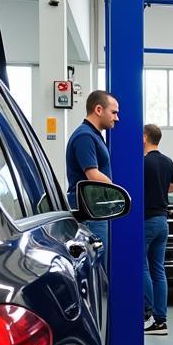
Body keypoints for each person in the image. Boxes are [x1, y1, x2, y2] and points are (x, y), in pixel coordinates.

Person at [66, 90, 119, 252]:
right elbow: (92, 175)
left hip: (95, 210)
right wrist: (116, 193)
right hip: (90, 213)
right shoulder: (85, 137)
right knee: (96, 262)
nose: (117, 118)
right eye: (113, 112)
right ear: (98, 110)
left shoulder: (93, 135)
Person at [143, 123, 173, 336]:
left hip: (146, 220)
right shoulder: (167, 161)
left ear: (145, 137)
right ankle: (161, 320)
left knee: (141, 266)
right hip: (162, 221)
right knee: (158, 269)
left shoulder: (142, 163)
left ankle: (145, 311)